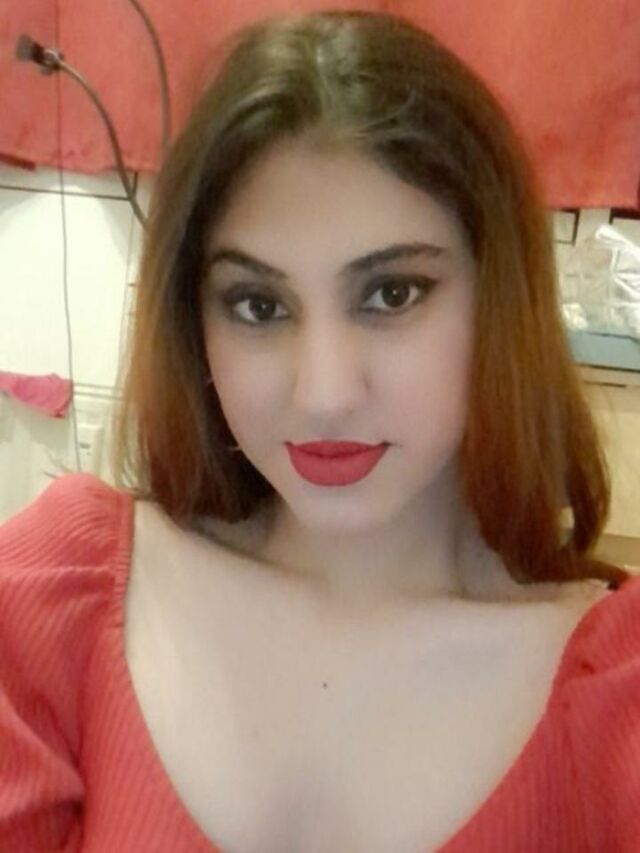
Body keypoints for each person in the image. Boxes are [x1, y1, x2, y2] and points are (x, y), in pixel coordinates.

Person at [1, 9, 638, 852]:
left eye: (392, 294)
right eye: (258, 306)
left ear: (499, 297)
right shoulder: (55, 599)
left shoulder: (612, 690)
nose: (325, 393)